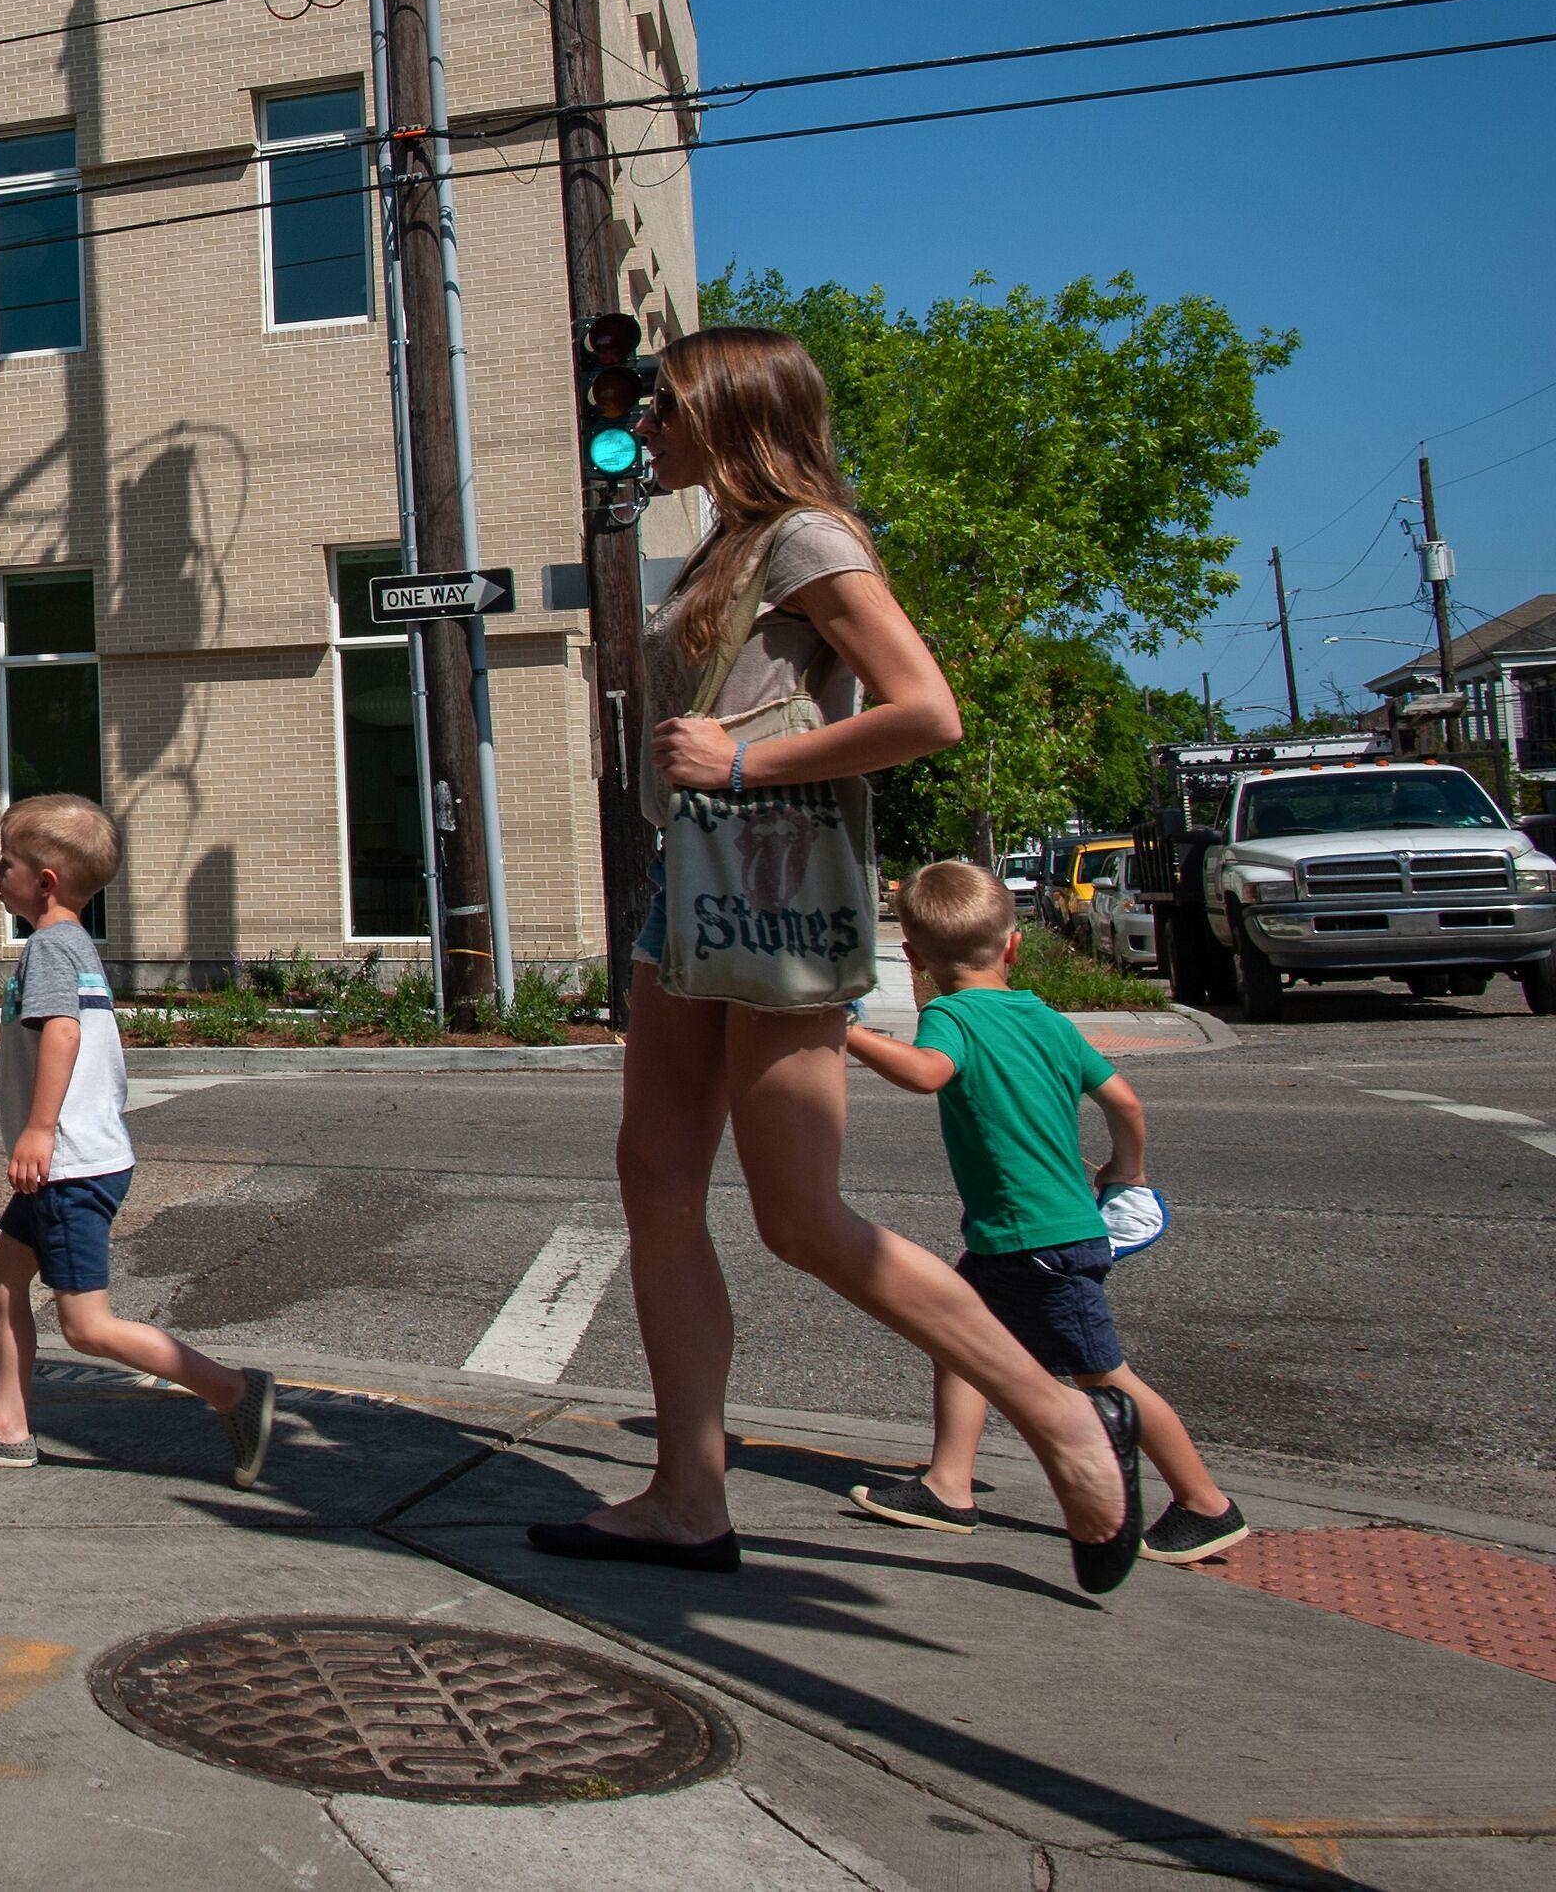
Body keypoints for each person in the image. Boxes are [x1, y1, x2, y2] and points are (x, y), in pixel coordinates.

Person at [530, 325, 1143, 1594]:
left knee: (800, 1215)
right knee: (654, 1181)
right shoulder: (726, 540)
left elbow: (927, 708)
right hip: (687, 894)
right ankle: (689, 1496)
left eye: (675, 407)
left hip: (778, 900)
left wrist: (747, 761)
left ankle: (1064, 1420)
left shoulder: (809, 535)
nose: (652, 425)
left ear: (739, 412)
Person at [841, 862, 1248, 1563]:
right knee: (961, 1335)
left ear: (911, 956)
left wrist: (841, 1031)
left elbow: (925, 1073)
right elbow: (1124, 1101)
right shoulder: (1046, 1019)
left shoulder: (952, 1016)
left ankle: (1206, 1502)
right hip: (1052, 1229)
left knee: (1104, 1376)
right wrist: (1128, 1168)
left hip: (1034, 1238)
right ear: (1012, 947)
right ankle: (949, 1482)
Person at [0, 794, 281, 1484]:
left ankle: (234, 1391)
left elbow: (62, 1032)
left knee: (87, 1325)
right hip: (71, 1161)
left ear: (46, 880)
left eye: (7, 862)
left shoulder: (52, 946)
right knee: (5, 1278)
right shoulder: (73, 942)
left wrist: (36, 1129)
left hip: (68, 1165)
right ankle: (7, 1426)